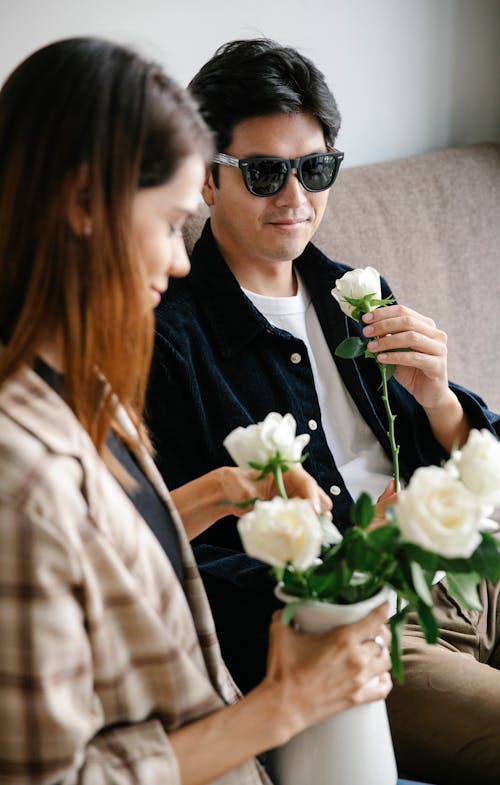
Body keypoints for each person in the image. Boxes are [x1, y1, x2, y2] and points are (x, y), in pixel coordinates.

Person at [0, 37, 395, 785]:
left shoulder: (82, 393)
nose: (180, 260)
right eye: (166, 221)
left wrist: (218, 490)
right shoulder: (20, 481)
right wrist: (287, 703)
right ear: (85, 203)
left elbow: (96, 553)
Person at [145, 38, 500, 785]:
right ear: (208, 181)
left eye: (315, 169)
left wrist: (438, 401)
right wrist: (344, 562)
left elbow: (466, 468)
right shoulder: (169, 340)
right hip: (363, 627)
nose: (296, 198)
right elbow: (178, 558)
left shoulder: (356, 293)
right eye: (266, 173)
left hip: (471, 569)